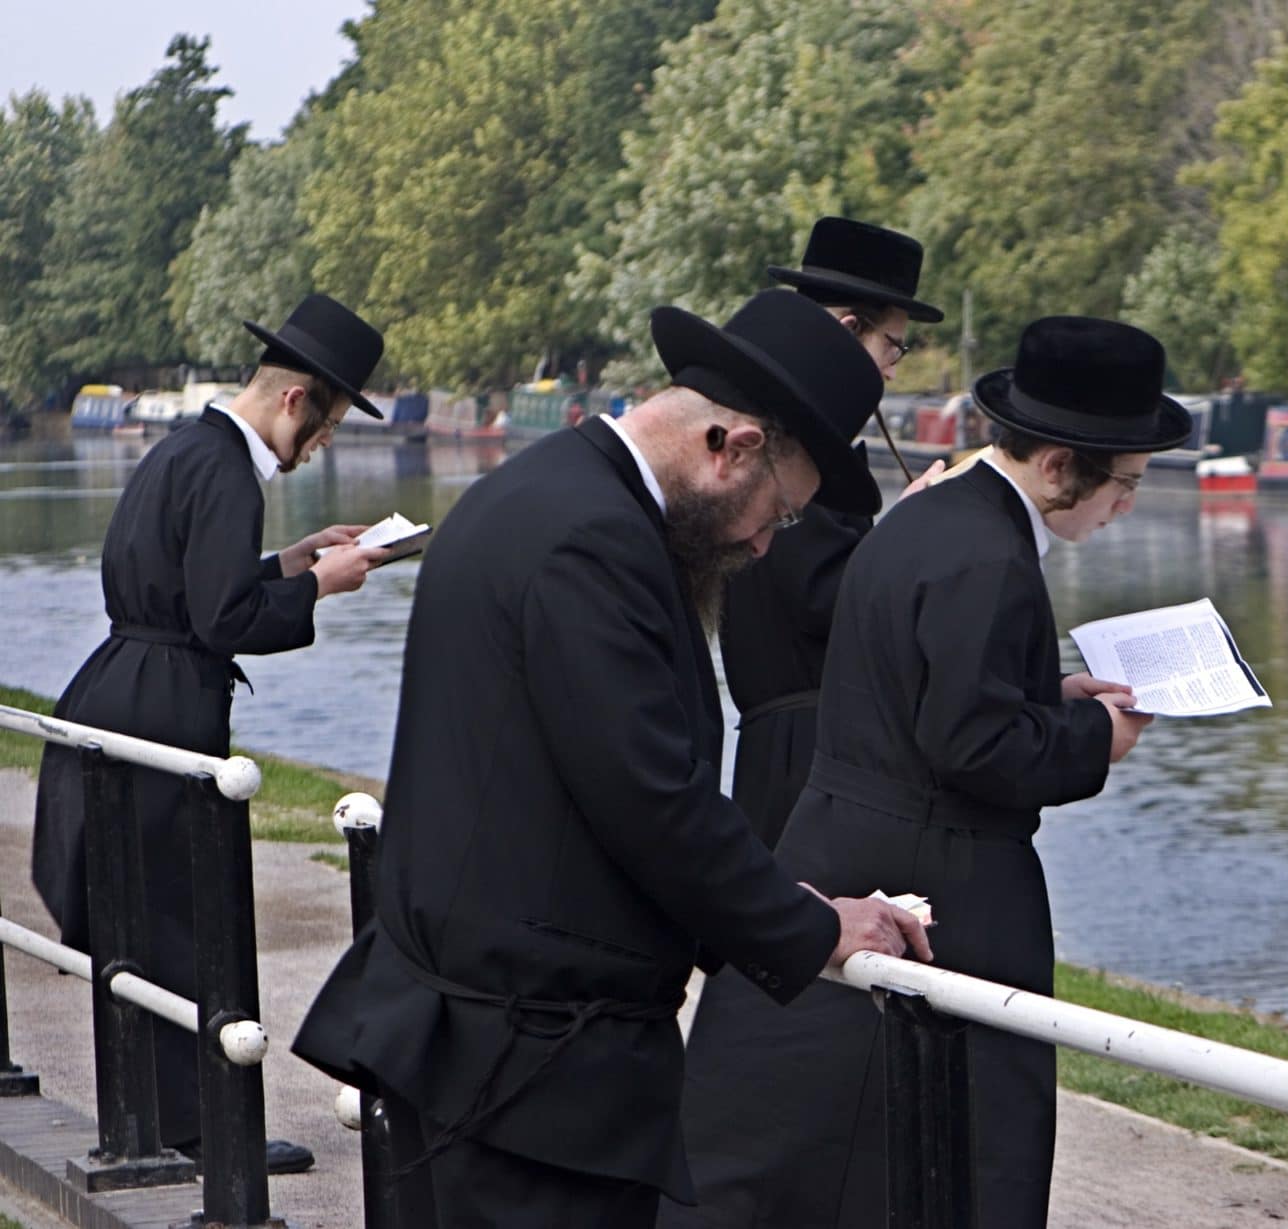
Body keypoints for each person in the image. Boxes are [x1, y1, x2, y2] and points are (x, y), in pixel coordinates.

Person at [291, 290, 934, 1229]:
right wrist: (814, 927)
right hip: (531, 1068)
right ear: (734, 446)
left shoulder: (550, 488)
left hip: (488, 1043)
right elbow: (649, 796)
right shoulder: (592, 540)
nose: (763, 543)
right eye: (777, 514)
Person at [668, 316, 1184, 1229]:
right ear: (1061, 463)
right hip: (935, 877)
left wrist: (1046, 689)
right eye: (1124, 485)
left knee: (811, 1141)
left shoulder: (930, 515)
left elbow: (915, 685)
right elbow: (973, 747)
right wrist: (1091, 738)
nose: (1126, 508)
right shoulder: (990, 554)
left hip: (842, 836)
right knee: (952, 1147)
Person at [33, 293, 389, 1176]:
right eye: (329, 425)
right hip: (164, 703)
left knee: (147, 919)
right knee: (183, 920)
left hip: (124, 686)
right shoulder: (228, 468)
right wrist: (324, 587)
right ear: (296, 401)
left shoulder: (190, 447)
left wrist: (291, 560)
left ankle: (163, 1119)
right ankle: (203, 1133)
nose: (322, 447)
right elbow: (224, 617)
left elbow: (197, 587)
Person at [722, 216, 947, 847]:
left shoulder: (784, 426)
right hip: (801, 751)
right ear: (850, 329)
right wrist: (909, 529)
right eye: (893, 348)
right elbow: (824, 597)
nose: (894, 371)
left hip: (804, 739)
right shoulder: (789, 440)